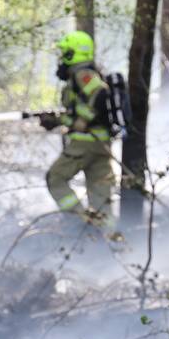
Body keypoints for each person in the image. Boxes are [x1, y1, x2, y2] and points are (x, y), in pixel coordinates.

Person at [39, 30, 116, 226]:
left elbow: (100, 93)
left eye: (65, 53)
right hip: (101, 145)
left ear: (73, 53)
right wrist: (58, 120)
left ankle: (83, 221)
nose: (61, 59)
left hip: (85, 143)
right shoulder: (84, 75)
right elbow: (81, 108)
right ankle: (107, 236)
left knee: (55, 178)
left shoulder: (83, 74)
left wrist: (82, 121)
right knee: (101, 199)